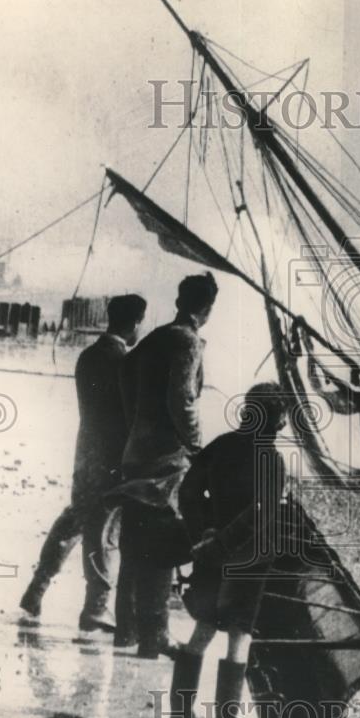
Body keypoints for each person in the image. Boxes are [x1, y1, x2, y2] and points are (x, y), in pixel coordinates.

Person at [169, 381, 289, 718]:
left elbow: (188, 491)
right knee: (240, 635)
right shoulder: (272, 459)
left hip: (210, 555)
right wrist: (224, 543)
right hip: (248, 561)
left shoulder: (221, 446)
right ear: (278, 420)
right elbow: (260, 514)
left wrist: (204, 532)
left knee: (203, 629)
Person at [19, 294, 147, 631]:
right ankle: (96, 607)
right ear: (135, 323)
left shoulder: (88, 356)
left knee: (75, 518)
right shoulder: (126, 362)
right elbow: (128, 415)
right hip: (112, 457)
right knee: (103, 530)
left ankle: (37, 588)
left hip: (86, 450)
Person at [112, 272, 219, 657]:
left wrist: (136, 421)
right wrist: (197, 448)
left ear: (179, 300)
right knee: (158, 544)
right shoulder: (187, 341)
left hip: (136, 451)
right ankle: (154, 634)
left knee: (134, 542)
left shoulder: (155, 337)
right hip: (165, 460)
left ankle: (125, 629)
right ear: (206, 308)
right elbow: (182, 401)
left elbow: (124, 374)